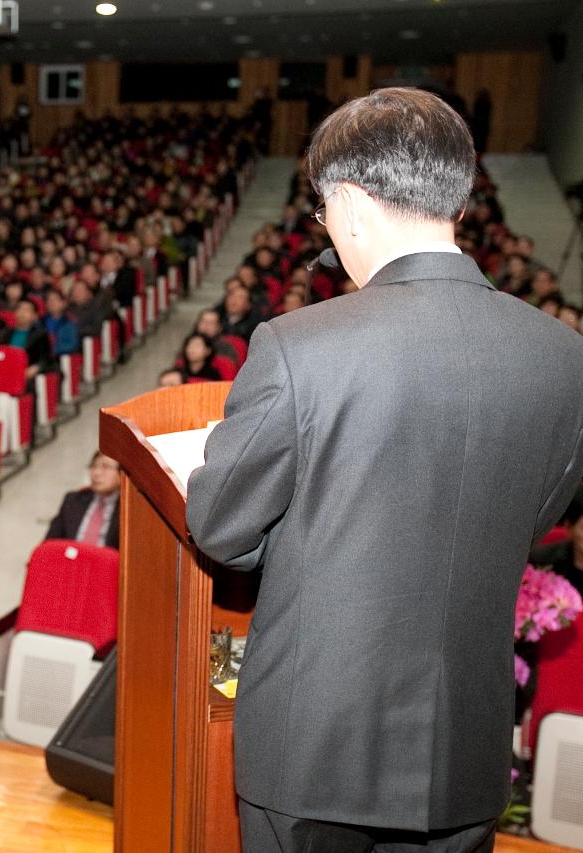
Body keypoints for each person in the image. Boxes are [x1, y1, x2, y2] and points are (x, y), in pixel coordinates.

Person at [185, 87, 583, 852]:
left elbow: (223, 529)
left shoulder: (300, 345)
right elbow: (531, 519)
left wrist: (309, 533)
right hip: (463, 745)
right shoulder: (564, 357)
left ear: (352, 202)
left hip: (314, 745)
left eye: (323, 215)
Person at [44, 452, 120, 549]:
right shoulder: (72, 500)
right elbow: (49, 543)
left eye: (106, 467)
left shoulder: (128, 512)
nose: (96, 473)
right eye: (93, 466)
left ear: (121, 475)